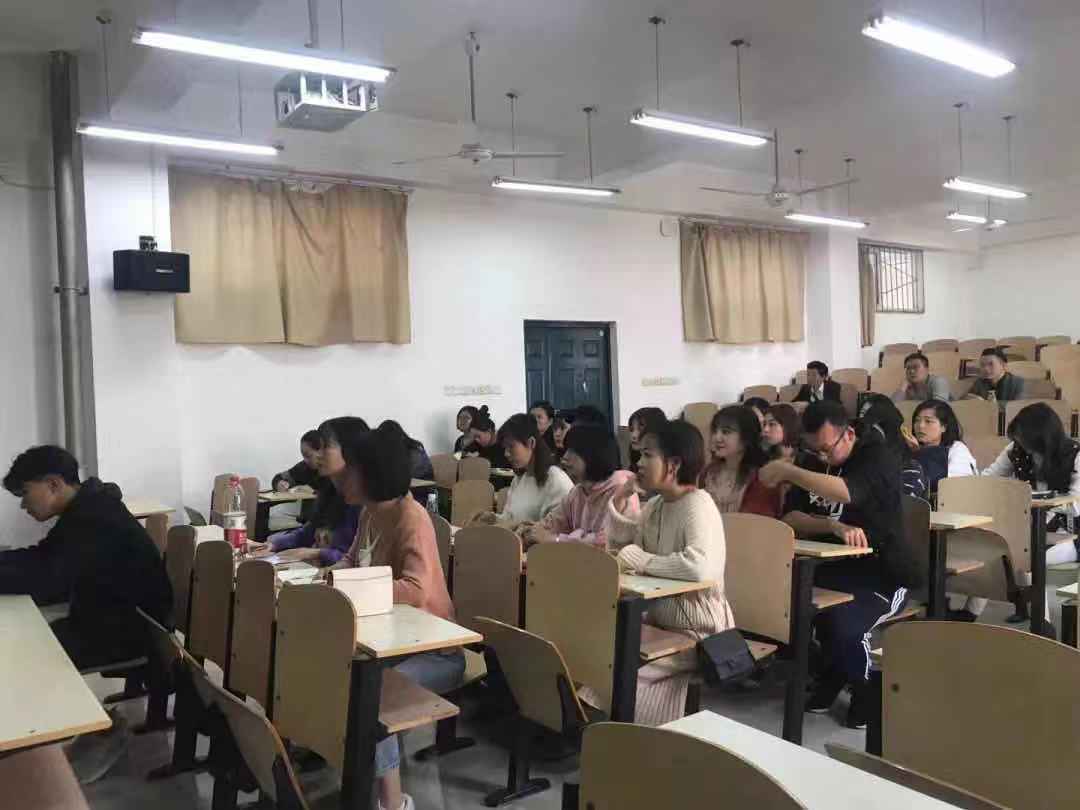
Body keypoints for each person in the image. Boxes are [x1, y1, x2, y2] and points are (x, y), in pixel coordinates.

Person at [760, 401, 923, 728]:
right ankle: (833, 675)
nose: (820, 458)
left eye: (826, 449)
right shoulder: (811, 459)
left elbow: (849, 492)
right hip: (830, 569)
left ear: (848, 434)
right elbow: (791, 517)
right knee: (795, 612)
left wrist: (789, 471)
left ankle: (866, 690)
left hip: (882, 572)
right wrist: (832, 526)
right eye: (814, 450)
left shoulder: (877, 456)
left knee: (844, 624)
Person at [334, 424, 460, 810]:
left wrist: (352, 587)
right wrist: (331, 578)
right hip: (387, 642)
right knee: (338, 677)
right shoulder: (370, 513)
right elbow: (351, 560)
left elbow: (415, 590)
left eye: (351, 470)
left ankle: (393, 803)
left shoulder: (411, 517)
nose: (342, 477)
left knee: (371, 694)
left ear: (372, 474)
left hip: (435, 652)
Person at [606, 420, 734, 726]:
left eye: (647, 455)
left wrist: (641, 560)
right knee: (602, 653)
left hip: (700, 632)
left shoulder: (698, 504)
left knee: (625, 672)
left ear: (674, 464)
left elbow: (700, 567)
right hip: (659, 623)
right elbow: (624, 549)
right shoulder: (656, 505)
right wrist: (621, 500)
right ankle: (602, 726)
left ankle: (620, 734)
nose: (638, 463)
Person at [2, 446, 173, 671]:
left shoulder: (93, 516)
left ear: (53, 484)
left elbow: (46, 580)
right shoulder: (88, 507)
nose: (23, 504)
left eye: (25, 492)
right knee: (20, 639)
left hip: (130, 635)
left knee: (16, 655)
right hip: (109, 621)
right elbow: (43, 557)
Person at [255, 416, 370, 565]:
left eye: (325, 446)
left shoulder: (364, 503)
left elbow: (358, 561)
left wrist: (314, 553)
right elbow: (308, 532)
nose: (318, 455)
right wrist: (273, 544)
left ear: (349, 450)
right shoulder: (329, 490)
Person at [984, 402, 1080, 568]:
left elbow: (1076, 505)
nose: (1023, 446)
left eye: (1025, 440)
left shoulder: (1075, 455)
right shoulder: (1017, 448)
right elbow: (989, 479)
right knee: (994, 553)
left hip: (1068, 532)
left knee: (1030, 560)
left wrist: (1036, 501)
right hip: (1027, 526)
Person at [522, 424, 640, 548]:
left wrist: (555, 540)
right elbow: (550, 524)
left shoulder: (622, 491)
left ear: (594, 455)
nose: (565, 458)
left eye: (573, 452)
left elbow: (606, 544)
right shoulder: (578, 492)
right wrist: (530, 532)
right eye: (566, 450)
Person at [475, 414, 573, 528]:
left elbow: (550, 530)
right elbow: (508, 518)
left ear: (531, 443)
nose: (506, 454)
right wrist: (493, 519)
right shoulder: (519, 479)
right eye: (505, 448)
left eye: (511, 447)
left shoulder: (556, 480)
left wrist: (510, 526)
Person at [699, 406, 781, 517]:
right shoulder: (709, 472)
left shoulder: (763, 478)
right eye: (714, 431)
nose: (717, 437)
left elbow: (756, 522)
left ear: (746, 438)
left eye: (726, 432)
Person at [858, 394, 928, 500]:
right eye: (862, 414)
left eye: (871, 417)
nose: (863, 423)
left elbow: (902, 505)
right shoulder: (854, 460)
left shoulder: (910, 468)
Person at [907, 400, 976, 496]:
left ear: (943, 427)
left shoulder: (957, 449)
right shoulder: (907, 448)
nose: (920, 426)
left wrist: (920, 454)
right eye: (917, 420)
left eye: (928, 421)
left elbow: (956, 487)